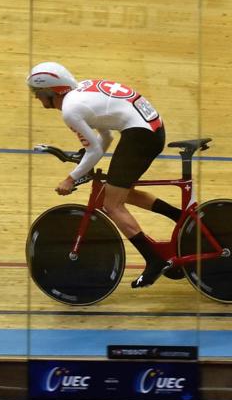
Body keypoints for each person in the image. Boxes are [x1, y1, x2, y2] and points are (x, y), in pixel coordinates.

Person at [27, 61, 185, 288]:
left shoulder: (71, 111)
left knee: (112, 205)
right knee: (120, 191)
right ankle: (180, 217)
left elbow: (96, 149)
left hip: (140, 135)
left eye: (38, 93)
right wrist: (85, 161)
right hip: (149, 129)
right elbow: (107, 138)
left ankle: (154, 260)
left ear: (52, 92)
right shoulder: (80, 90)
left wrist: (70, 178)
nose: (36, 98)